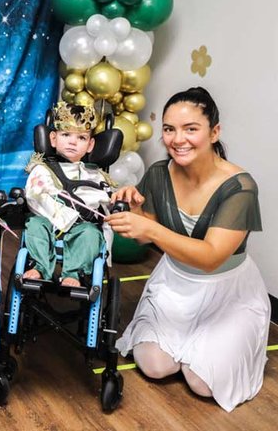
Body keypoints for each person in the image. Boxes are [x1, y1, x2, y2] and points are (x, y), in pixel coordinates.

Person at [106, 87, 269, 412]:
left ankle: (217, 348)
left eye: (190, 129)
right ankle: (194, 350)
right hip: (175, 284)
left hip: (227, 294)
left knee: (203, 383)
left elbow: (211, 257)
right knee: (154, 366)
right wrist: (134, 211)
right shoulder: (158, 173)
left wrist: (150, 229)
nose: (177, 139)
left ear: (214, 132)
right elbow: (143, 237)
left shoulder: (240, 187)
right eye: (169, 129)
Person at [22, 101, 114, 287]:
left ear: (90, 144)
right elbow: (34, 196)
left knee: (91, 233)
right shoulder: (42, 169)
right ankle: (40, 267)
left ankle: (73, 274)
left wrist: (115, 203)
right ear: (53, 139)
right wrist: (67, 216)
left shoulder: (96, 175)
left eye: (81, 138)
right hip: (49, 222)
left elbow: (107, 203)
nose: (73, 142)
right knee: (35, 224)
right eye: (66, 135)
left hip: (82, 227)